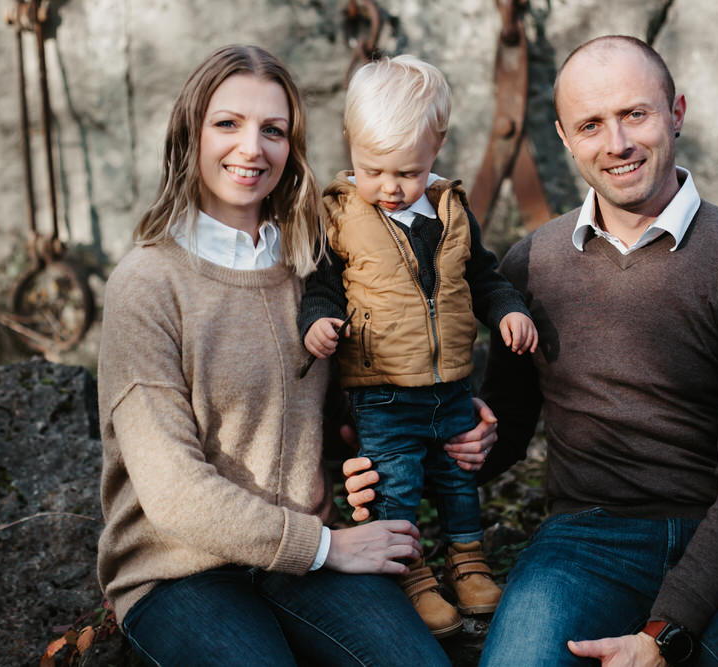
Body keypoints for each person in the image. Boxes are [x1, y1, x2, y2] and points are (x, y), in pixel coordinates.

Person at [346, 36, 718, 666]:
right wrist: (393, 461)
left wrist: (664, 632)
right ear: (563, 136)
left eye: (636, 114)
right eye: (591, 124)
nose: (617, 144)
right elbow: (501, 430)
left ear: (676, 113)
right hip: (583, 540)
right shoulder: (533, 265)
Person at [96, 44, 452, 666]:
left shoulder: (310, 270)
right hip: (180, 571)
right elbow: (175, 493)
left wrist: (439, 429)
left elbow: (342, 411)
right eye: (227, 124)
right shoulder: (147, 283)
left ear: (292, 148)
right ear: (191, 133)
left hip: (301, 560)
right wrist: (328, 548)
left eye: (273, 130)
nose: (252, 148)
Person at [298, 54, 538, 638]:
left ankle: (469, 561)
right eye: (373, 170)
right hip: (380, 390)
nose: (389, 187)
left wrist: (507, 308)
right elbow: (321, 285)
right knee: (396, 481)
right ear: (351, 144)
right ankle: (410, 572)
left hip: (451, 380)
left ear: (437, 146)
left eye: (406, 172)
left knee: (459, 474)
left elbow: (482, 276)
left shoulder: (452, 208)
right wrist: (319, 323)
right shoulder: (338, 216)